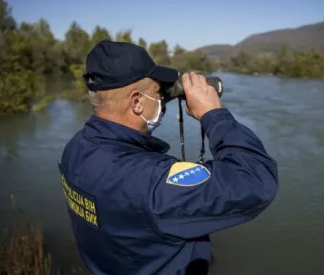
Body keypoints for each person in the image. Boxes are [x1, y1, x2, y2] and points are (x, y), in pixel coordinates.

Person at [58, 40, 279, 275]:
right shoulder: (151, 183)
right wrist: (213, 115)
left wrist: (157, 95)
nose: (162, 99)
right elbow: (255, 179)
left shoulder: (75, 150)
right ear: (137, 102)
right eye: (157, 93)